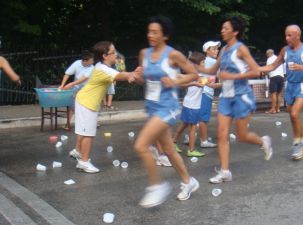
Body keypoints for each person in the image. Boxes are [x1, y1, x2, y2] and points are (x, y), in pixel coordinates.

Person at [197, 16, 273, 184]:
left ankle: (263, 141)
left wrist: (232, 75)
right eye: (222, 28)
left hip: (241, 96)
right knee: (221, 134)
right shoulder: (223, 50)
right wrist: (191, 65)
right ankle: (225, 172)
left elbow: (255, 72)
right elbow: (211, 70)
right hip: (226, 96)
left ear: (235, 31)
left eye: (226, 28)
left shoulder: (241, 49)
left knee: (241, 135)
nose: (222, 31)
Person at [133, 15, 200, 208]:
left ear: (165, 35)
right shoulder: (144, 53)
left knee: (141, 145)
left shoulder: (173, 55)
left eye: (155, 32)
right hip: (152, 107)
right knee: (169, 150)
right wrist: (136, 77)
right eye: (149, 31)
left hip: (168, 108)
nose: (150, 35)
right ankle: (189, 182)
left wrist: (176, 81)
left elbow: (193, 74)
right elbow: (144, 80)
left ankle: (157, 186)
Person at [69, 41, 141, 173]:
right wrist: (131, 74)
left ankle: (77, 151)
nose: (116, 55)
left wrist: (130, 75)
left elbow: (119, 74)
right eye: (113, 52)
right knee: (88, 134)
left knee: (83, 130)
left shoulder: (101, 66)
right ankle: (84, 162)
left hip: (85, 101)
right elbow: (120, 75)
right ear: (105, 56)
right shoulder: (102, 69)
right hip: (87, 103)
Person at [260, 25, 303, 160]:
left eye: (289, 35)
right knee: (292, 115)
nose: (286, 38)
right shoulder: (285, 50)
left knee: (294, 113)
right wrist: (256, 68)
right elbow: (272, 66)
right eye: (286, 35)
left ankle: (298, 143)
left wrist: (302, 67)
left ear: (298, 35)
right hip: (290, 85)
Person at [173, 51, 206, 157]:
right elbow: (181, 83)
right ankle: (191, 150)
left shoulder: (195, 74)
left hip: (189, 103)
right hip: (192, 105)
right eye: (203, 62)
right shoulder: (196, 75)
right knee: (193, 128)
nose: (204, 64)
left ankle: (173, 142)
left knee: (184, 124)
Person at [59, 51, 94, 130]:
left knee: (86, 106)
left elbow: (83, 79)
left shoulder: (92, 67)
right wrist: (62, 85)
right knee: (72, 106)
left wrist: (71, 84)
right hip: (77, 86)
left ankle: (89, 123)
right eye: (91, 60)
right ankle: (67, 124)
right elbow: (67, 74)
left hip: (87, 87)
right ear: (85, 61)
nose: (93, 62)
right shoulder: (77, 63)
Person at [198, 41, 222, 148]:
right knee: (203, 118)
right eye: (214, 49)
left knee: (195, 117)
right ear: (207, 51)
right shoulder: (211, 61)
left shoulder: (205, 61)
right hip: (206, 92)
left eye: (217, 49)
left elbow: (202, 77)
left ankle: (183, 137)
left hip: (202, 92)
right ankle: (204, 141)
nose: (217, 51)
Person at [265, 49, 284, 114]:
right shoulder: (278, 58)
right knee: (279, 93)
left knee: (273, 93)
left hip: (274, 77)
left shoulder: (269, 59)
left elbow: (268, 68)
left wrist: (265, 74)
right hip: (281, 77)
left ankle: (273, 109)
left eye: (267, 55)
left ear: (268, 54)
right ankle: (278, 109)